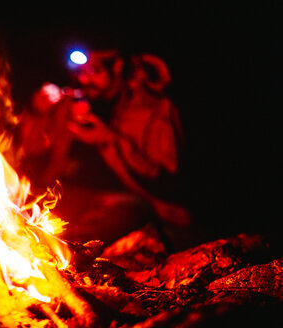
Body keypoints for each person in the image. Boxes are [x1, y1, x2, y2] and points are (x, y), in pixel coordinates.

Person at [17, 50, 190, 243]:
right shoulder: (74, 101)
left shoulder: (149, 108)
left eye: (93, 70)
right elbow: (32, 153)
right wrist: (38, 112)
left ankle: (69, 249)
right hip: (79, 197)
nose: (83, 78)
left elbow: (165, 181)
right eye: (79, 71)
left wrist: (108, 140)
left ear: (117, 67)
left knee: (127, 211)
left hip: (135, 204)